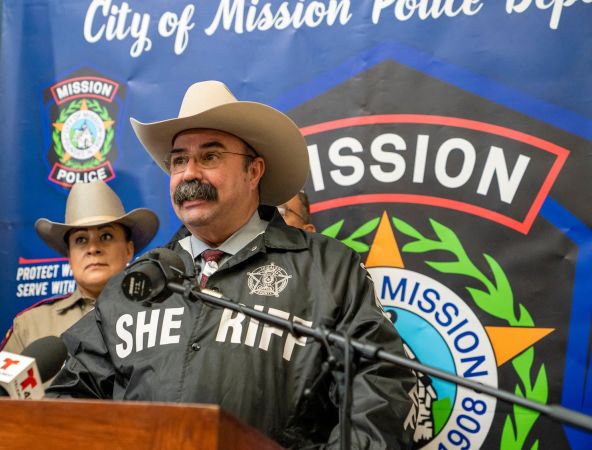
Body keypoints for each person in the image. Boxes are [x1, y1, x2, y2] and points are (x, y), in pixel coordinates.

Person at [48, 81, 415, 448]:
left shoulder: (328, 269)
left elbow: (379, 389)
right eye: (179, 160)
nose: (190, 173)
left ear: (254, 172)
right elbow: (71, 397)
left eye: (209, 157)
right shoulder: (138, 283)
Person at [0, 180, 158, 354]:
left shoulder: (159, 314)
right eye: (81, 239)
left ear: (129, 250)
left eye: (106, 236)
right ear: (69, 255)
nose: (93, 248)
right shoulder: (31, 326)